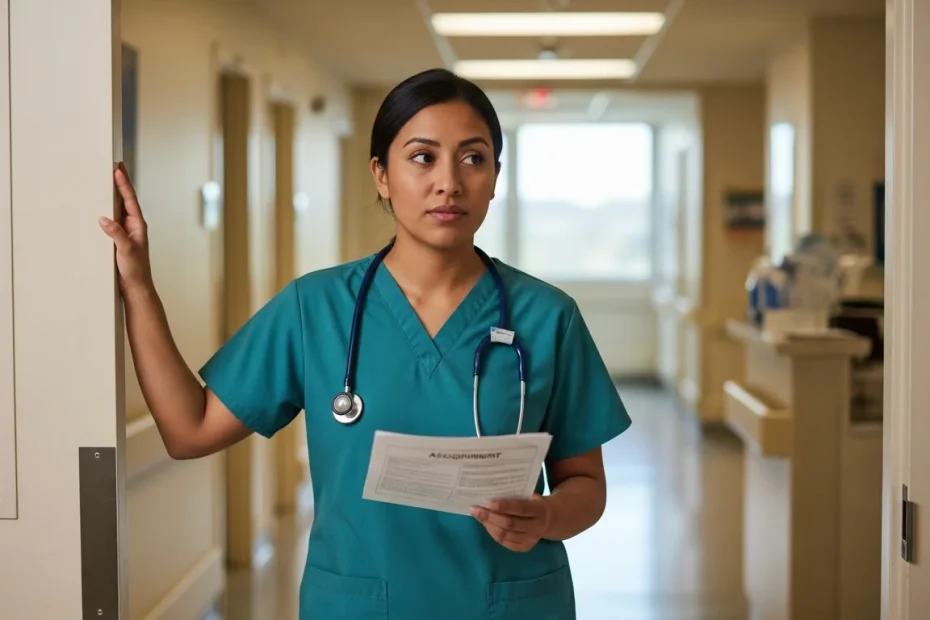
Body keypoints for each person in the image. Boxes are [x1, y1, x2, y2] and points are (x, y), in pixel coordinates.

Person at [99, 67, 632, 619]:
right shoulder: (317, 308)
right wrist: (138, 285)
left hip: (507, 604)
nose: (448, 182)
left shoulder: (548, 317)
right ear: (381, 174)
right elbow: (190, 430)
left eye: (473, 158)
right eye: (422, 157)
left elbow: (585, 485)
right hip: (361, 606)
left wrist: (544, 517)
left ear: (495, 177)